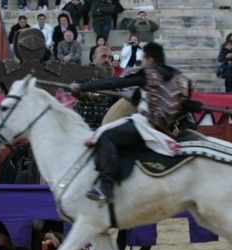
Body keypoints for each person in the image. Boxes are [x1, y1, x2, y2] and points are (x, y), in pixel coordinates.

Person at [69, 42, 195, 202]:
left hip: (146, 126)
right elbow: (186, 104)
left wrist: (82, 87)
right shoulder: (179, 78)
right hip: (167, 130)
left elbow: (114, 83)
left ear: (149, 59)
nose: (142, 61)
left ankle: (106, 187)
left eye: (143, 58)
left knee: (104, 135)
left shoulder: (148, 74)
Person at [72, 45, 116, 130]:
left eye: (110, 57)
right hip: (83, 125)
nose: (107, 60)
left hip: (106, 127)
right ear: (94, 58)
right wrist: (94, 94)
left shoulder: (113, 80)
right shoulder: (83, 73)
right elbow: (76, 90)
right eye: (104, 56)